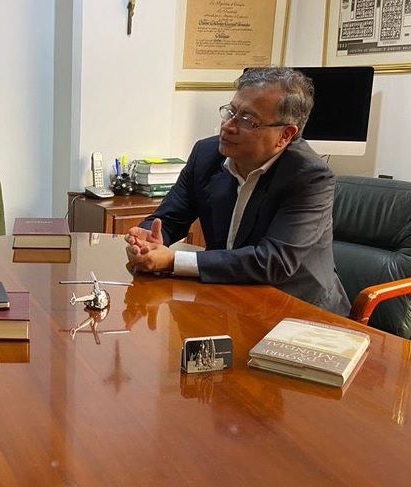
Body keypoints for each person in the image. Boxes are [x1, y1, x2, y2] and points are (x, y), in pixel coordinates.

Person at [125, 67, 350, 315]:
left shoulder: (310, 177)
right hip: (229, 296)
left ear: (285, 135)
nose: (228, 126)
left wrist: (173, 260)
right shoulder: (206, 155)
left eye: (247, 120)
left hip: (297, 311)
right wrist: (147, 241)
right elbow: (169, 218)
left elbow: (273, 261)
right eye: (231, 111)